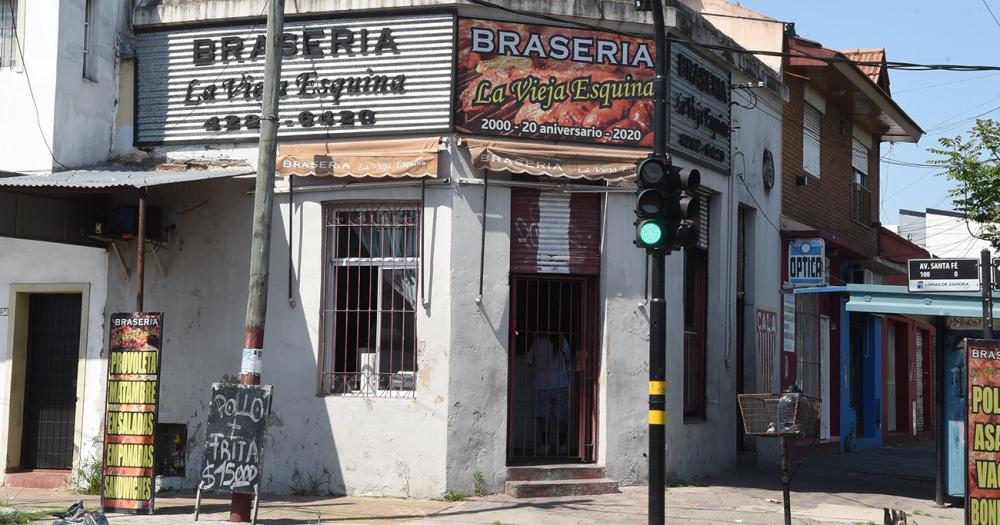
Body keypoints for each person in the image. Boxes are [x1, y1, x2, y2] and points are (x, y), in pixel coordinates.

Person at [527, 335, 571, 455]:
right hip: (560, 383)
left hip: (542, 384)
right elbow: (568, 359)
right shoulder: (562, 340)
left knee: (544, 416)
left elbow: (529, 361)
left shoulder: (538, 343)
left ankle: (545, 445)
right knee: (560, 416)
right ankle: (562, 445)